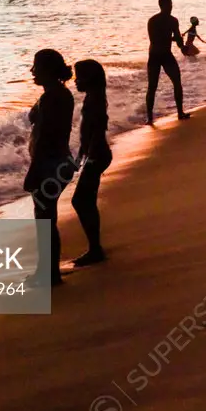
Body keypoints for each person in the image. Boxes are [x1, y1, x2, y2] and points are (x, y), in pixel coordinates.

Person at [24, 49, 76, 287]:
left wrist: (33, 171)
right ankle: (48, 271)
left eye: (37, 67)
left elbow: (45, 137)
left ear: (48, 70)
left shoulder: (51, 98)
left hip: (49, 164)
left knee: (44, 220)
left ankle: (49, 273)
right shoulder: (61, 94)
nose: (33, 71)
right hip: (59, 162)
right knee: (47, 218)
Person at [71, 60, 112, 266]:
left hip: (98, 154)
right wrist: (81, 154)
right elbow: (88, 132)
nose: (75, 81)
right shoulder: (93, 97)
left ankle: (95, 248)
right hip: (96, 153)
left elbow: (97, 130)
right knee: (86, 200)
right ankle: (95, 246)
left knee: (80, 200)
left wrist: (91, 155)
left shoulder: (94, 99)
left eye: (79, 77)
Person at [146, 0, 189, 124]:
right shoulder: (153, 21)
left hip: (166, 54)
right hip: (155, 55)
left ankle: (180, 112)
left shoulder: (173, 21)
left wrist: (182, 47)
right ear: (162, 6)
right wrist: (174, 39)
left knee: (177, 81)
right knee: (152, 86)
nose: (170, 7)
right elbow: (154, 39)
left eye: (171, 5)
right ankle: (149, 118)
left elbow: (177, 37)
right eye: (168, 5)